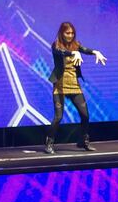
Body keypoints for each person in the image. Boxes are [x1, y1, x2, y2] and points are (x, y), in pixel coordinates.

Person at [45, 21, 107, 154]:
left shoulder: (76, 45)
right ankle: (49, 143)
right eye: (67, 33)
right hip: (60, 86)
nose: (70, 35)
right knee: (58, 117)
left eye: (72, 33)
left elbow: (84, 49)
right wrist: (73, 53)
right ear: (62, 33)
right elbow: (62, 52)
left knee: (85, 115)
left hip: (74, 85)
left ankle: (83, 141)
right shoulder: (56, 45)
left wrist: (95, 52)